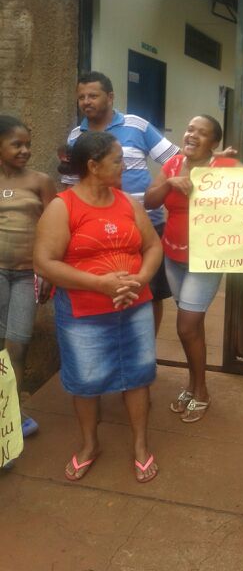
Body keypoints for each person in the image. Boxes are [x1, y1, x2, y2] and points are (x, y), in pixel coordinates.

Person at [34, 131, 163, 483]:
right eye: (118, 160)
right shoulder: (63, 207)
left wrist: (140, 279)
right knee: (86, 381)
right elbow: (44, 262)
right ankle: (90, 444)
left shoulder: (127, 202)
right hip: (84, 314)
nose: (125, 166)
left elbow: (153, 246)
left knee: (138, 376)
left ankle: (140, 445)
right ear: (93, 166)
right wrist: (101, 284)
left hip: (134, 307)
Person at [58, 71, 178, 335]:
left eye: (93, 95)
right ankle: (115, 341)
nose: (86, 101)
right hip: (94, 230)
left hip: (146, 224)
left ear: (110, 97)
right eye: (81, 97)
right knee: (106, 285)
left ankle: (146, 343)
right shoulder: (76, 136)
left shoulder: (137, 126)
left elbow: (174, 160)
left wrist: (158, 188)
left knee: (150, 292)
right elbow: (70, 182)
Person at [144, 115, 241, 422]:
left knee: (186, 326)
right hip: (173, 257)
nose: (192, 135)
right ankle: (193, 384)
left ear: (214, 143)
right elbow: (149, 201)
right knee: (193, 327)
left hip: (205, 260)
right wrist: (169, 183)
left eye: (202, 133)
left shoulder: (227, 167)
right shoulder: (172, 165)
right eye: (190, 129)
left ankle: (201, 391)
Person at [0, 115, 56, 444]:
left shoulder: (40, 182)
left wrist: (46, 270)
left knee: (17, 347)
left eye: (28, 145)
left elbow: (53, 228)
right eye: (16, 144)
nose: (25, 150)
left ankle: (11, 416)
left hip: (25, 276)